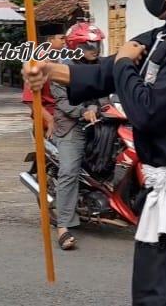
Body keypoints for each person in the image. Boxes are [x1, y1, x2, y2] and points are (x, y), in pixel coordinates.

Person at [22, 0, 166, 306]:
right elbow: (104, 72)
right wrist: (51, 70)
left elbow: (148, 111)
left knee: (158, 298)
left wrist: (124, 65)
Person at [50, 22, 106, 251]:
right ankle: (63, 226)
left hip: (102, 123)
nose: (95, 49)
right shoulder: (62, 70)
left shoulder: (102, 66)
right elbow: (63, 103)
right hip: (72, 125)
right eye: (90, 45)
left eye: (97, 44)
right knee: (69, 171)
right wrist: (84, 111)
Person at [22, 27, 65, 137]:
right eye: (61, 38)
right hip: (47, 119)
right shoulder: (38, 62)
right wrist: (49, 120)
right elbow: (30, 100)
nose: (64, 42)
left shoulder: (61, 60)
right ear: (50, 40)